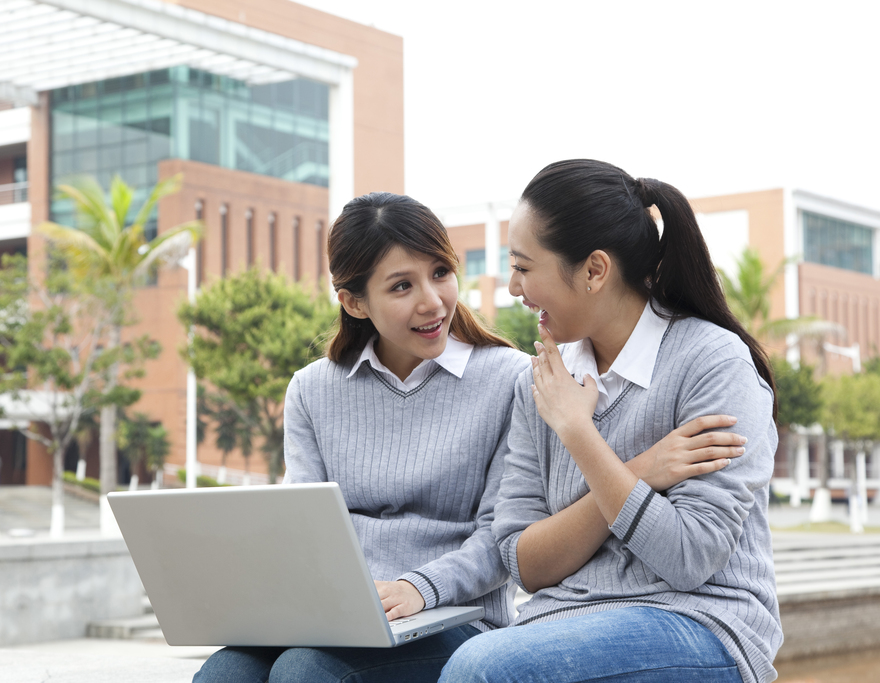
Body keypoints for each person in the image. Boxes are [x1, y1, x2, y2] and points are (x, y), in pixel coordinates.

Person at [193, 191, 747, 683]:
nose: (433, 301)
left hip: (448, 616)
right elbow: (300, 529)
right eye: (402, 286)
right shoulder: (312, 390)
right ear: (354, 302)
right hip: (343, 614)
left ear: (594, 270)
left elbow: (499, 547)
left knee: (305, 671)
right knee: (224, 673)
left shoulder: (513, 377)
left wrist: (419, 588)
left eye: (441, 273)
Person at [439, 160, 782, 683]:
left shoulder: (715, 364)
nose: (512, 286)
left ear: (595, 270)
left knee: (481, 669)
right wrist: (642, 469)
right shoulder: (541, 382)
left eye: (525, 267)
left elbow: (690, 557)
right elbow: (525, 560)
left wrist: (579, 433)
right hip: (561, 617)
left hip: (700, 621)